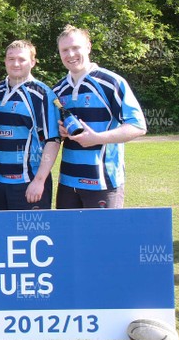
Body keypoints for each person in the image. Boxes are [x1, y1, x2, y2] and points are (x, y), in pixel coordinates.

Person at [53, 24, 147, 208]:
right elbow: (54, 134)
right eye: (65, 50)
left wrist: (97, 138)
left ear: (88, 47)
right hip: (67, 183)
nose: (70, 54)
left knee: (105, 237)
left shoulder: (111, 83)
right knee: (68, 237)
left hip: (103, 182)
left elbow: (138, 126)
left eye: (75, 48)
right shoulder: (58, 89)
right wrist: (61, 131)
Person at [0, 40, 61, 210]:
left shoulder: (42, 94)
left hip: (28, 183)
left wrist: (39, 181)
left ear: (33, 62)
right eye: (10, 58)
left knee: (29, 235)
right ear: (5, 61)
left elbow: (53, 140)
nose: (15, 64)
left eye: (22, 59)